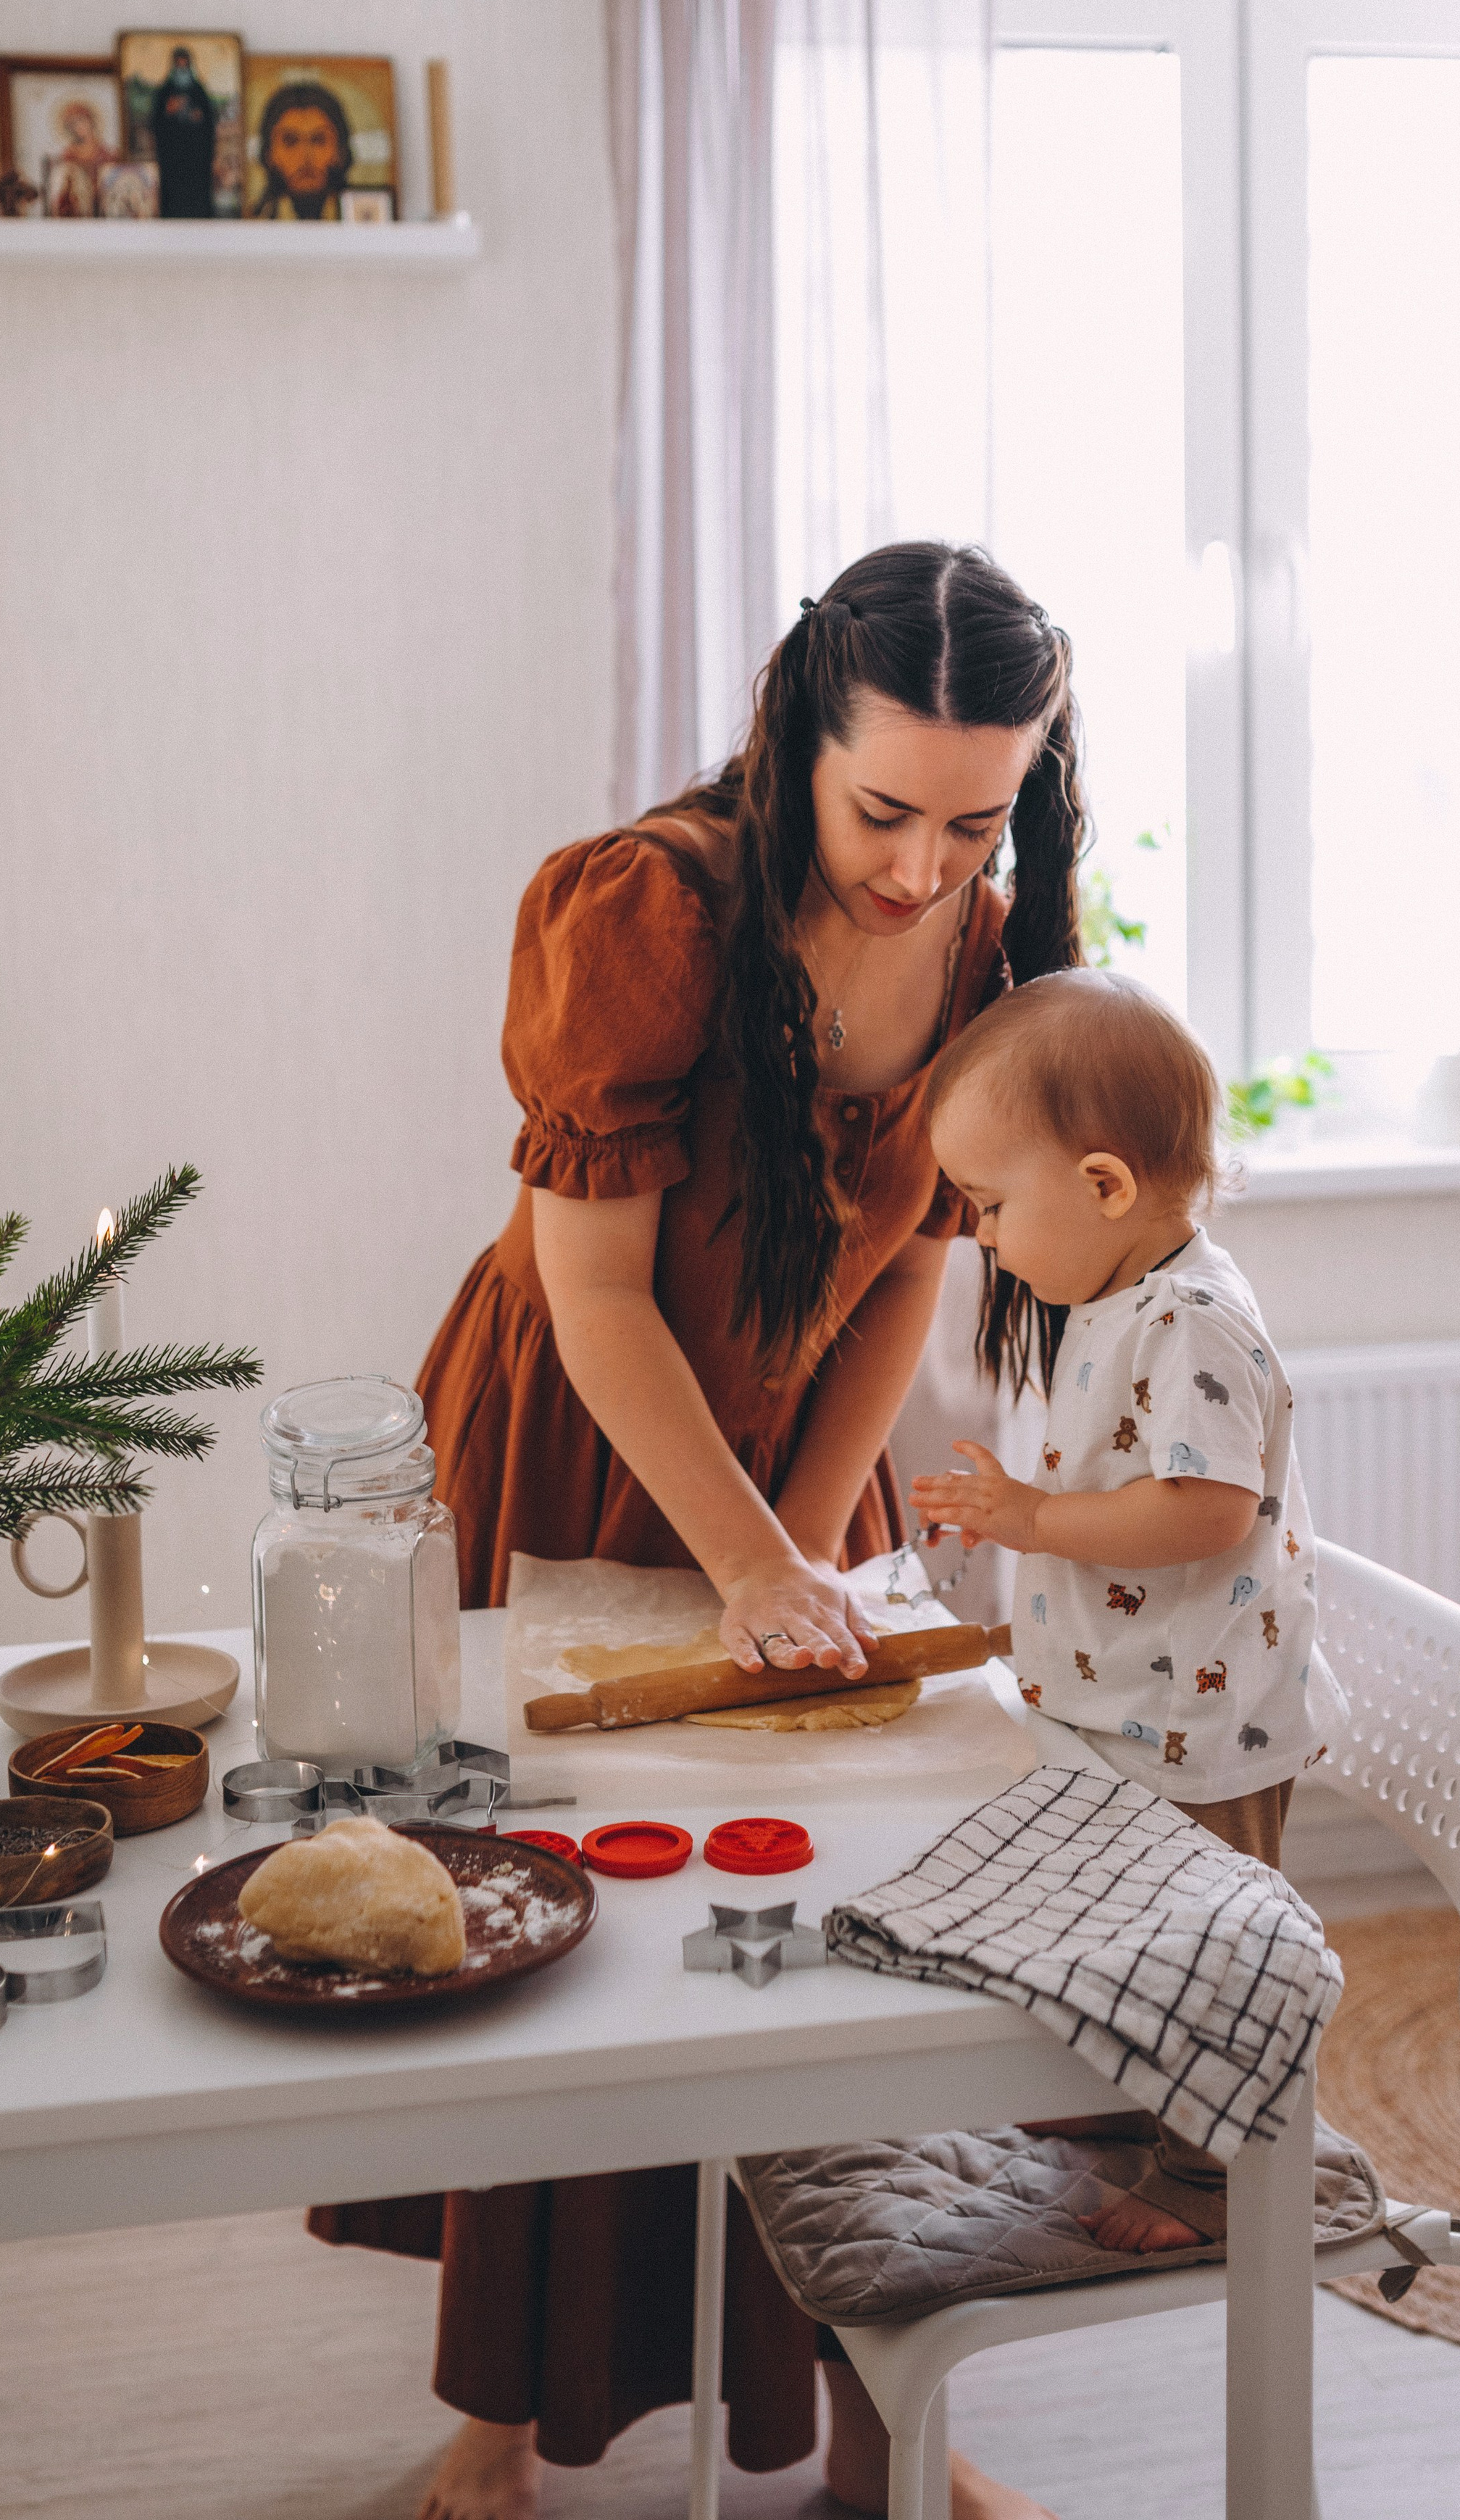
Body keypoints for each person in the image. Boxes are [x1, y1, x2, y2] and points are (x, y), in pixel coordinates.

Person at [309, 541, 1088, 2520]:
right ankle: (497, 2429)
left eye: (975, 817)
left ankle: (874, 2431)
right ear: (798, 740)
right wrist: (742, 1564)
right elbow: (595, 1302)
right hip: (589, 1437)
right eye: (884, 811)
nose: (924, 866)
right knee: (576, 1925)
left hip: (805, 1469)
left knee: (835, 1942)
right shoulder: (646, 910)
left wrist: (808, 1549)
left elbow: (915, 1257)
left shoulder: (990, 941)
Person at [912, 968, 1343, 2253]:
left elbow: (1205, 1512)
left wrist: (1032, 1524)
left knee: (1216, 1953)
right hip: (1140, 1699)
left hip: (1202, 1724)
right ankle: (1128, 2100)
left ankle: (1214, 2181)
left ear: (1103, 1186)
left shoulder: (1194, 1320)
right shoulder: (1120, 1298)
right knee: (1137, 1928)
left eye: (992, 1205)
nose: (982, 1236)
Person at [251, 78, 352, 217]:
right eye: (290, 141)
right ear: (269, 154)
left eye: (319, 140)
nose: (305, 156)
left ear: (340, 152)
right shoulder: (254, 223)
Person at [150, 46, 216, 218]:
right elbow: (156, 123)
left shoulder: (199, 91)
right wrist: (169, 112)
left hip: (195, 157)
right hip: (173, 157)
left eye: (184, 66)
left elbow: (209, 122)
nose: (181, 70)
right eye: (178, 66)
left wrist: (198, 117)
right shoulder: (165, 92)